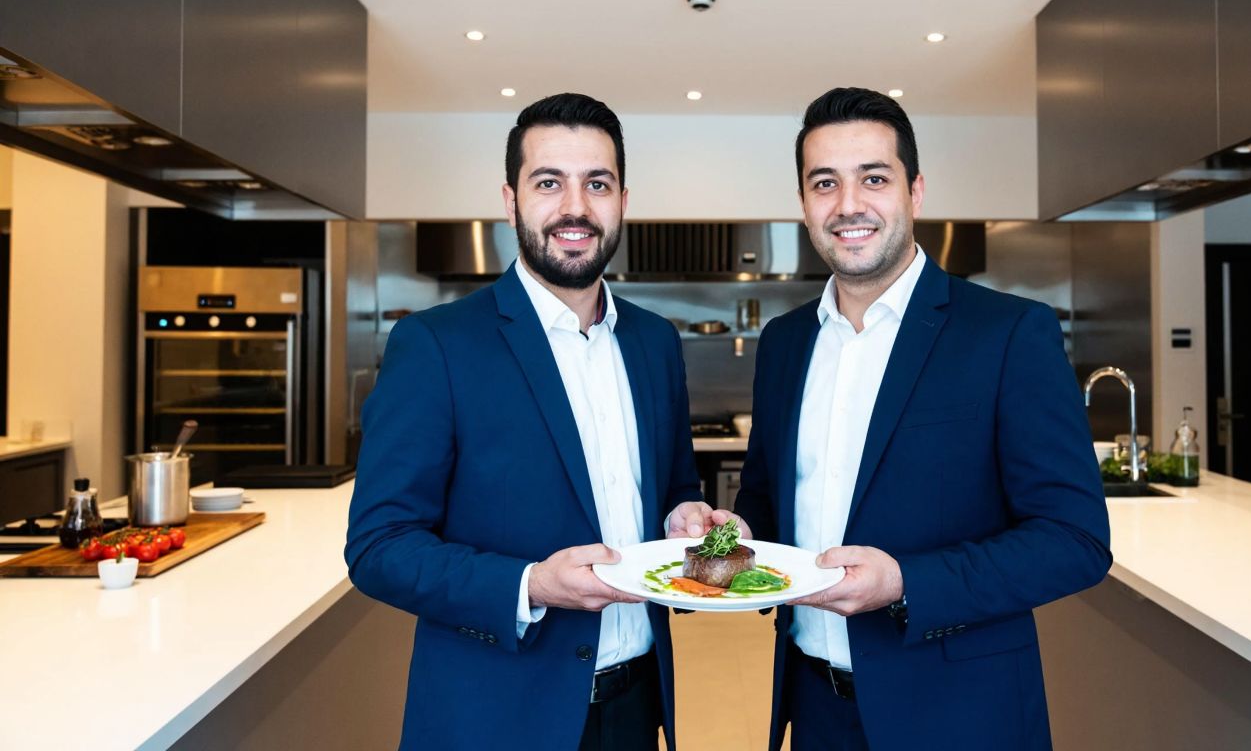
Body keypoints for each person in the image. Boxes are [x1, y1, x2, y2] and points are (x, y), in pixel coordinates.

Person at [345, 92, 737, 751]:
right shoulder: (438, 344)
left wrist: (684, 519)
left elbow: (674, 489)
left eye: (597, 184)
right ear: (510, 200)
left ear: (623, 201)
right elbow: (379, 547)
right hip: (496, 715)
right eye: (549, 182)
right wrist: (530, 585)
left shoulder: (654, 342)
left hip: (638, 706)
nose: (575, 207)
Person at [733, 87, 1113, 750]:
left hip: (959, 714)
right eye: (825, 183)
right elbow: (767, 502)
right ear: (803, 203)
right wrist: (734, 535)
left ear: (916, 190)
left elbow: (1074, 540)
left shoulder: (1007, 333)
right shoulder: (786, 343)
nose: (848, 204)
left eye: (873, 178)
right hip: (814, 709)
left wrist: (906, 583)